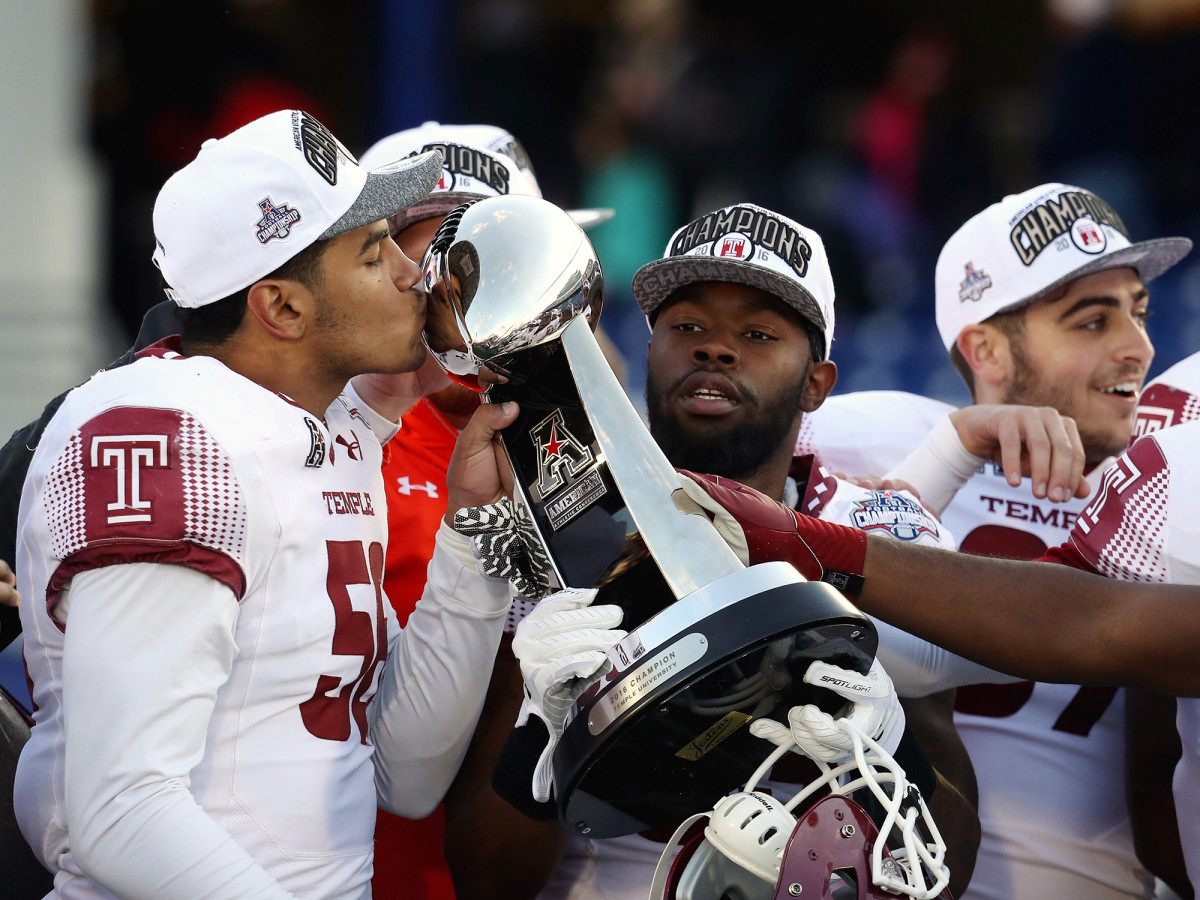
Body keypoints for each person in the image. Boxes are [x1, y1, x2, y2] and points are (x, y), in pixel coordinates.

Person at [446, 202, 1098, 900]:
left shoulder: (878, 534)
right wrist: (539, 734)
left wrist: (887, 746)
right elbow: (486, 881)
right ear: (648, 351)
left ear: (817, 383)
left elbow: (945, 865)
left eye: (757, 334)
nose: (716, 349)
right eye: (687, 326)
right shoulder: (565, 531)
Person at [14, 109, 521, 899]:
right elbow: (120, 811)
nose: (409, 272)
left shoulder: (333, 426)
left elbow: (405, 776)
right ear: (282, 308)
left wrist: (473, 542)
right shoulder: (170, 437)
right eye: (371, 252)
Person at [796, 182, 1192, 899]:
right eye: (1092, 322)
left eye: (1138, 314)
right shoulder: (879, 433)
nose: (1139, 349)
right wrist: (942, 459)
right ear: (988, 349)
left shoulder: (1174, 485)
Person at [354, 121, 613, 900]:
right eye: (439, 254)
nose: (458, 289)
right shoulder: (301, 443)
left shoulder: (578, 445)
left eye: (506, 254)